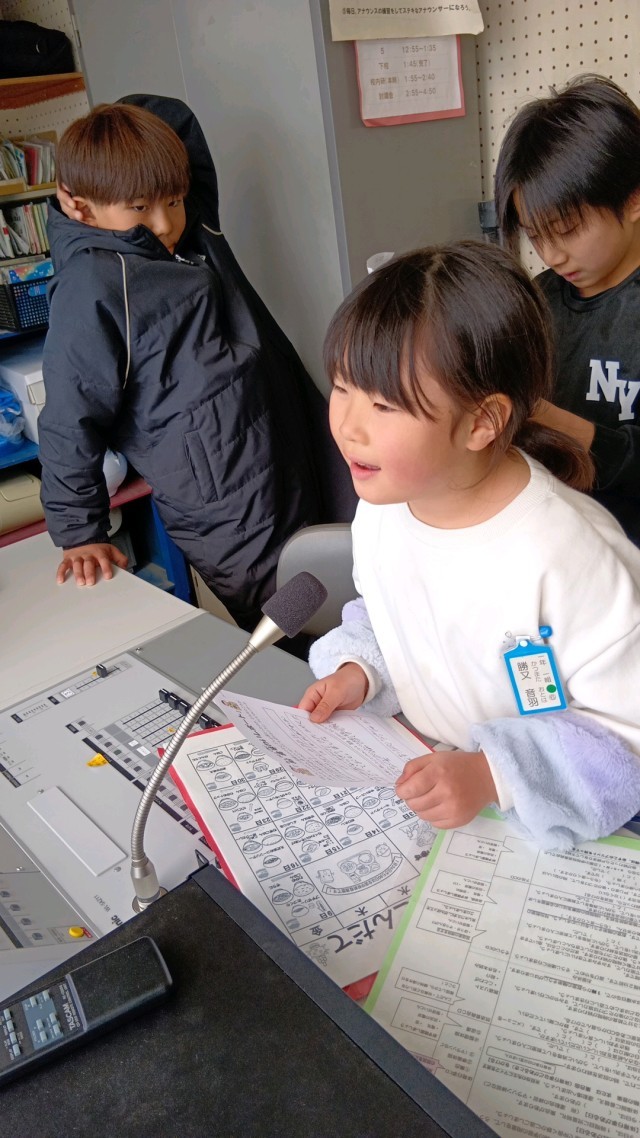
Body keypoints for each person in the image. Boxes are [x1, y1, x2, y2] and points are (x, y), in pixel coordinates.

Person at [298, 242, 640, 850]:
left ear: (482, 422)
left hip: (554, 826)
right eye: (342, 387)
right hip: (429, 780)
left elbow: (626, 736)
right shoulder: (384, 507)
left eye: (383, 404)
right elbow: (393, 614)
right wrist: (362, 669)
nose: (348, 426)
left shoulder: (571, 555)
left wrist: (492, 775)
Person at [40, 95, 354, 632]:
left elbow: (176, 121)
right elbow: (70, 418)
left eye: (174, 200)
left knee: (348, 585)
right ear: (77, 205)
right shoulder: (92, 287)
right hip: (226, 506)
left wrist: (120, 134)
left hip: (287, 441)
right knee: (292, 624)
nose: (164, 223)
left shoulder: (192, 232)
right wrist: (79, 530)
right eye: (140, 208)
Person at [494, 75, 640, 545]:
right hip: (555, 544)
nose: (551, 255)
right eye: (536, 235)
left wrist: (559, 425)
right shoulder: (535, 302)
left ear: (633, 198)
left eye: (567, 229)